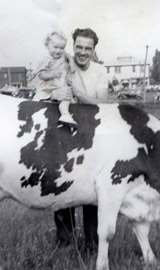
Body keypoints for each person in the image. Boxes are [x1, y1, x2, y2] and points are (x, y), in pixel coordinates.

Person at [52, 28, 109, 250]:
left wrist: (77, 93)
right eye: (79, 47)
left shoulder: (100, 71)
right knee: (62, 184)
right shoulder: (63, 64)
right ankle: (65, 242)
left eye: (88, 48)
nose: (82, 52)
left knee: (92, 189)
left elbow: (103, 103)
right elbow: (46, 87)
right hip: (65, 131)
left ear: (94, 50)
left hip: (91, 135)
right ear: (73, 46)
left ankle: (91, 243)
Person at [33, 31, 77, 128]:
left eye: (62, 48)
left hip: (61, 86)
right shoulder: (45, 59)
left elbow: (73, 69)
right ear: (47, 46)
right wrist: (52, 74)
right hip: (49, 87)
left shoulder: (63, 57)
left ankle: (65, 115)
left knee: (67, 99)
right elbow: (41, 75)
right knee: (46, 105)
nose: (58, 51)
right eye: (55, 47)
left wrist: (69, 58)